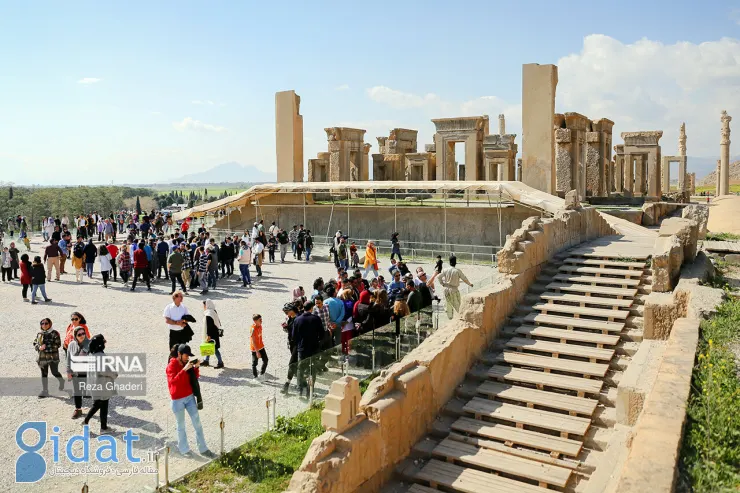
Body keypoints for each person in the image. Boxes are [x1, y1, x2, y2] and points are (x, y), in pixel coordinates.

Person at [166, 344, 216, 458]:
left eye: (189, 356)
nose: (187, 358)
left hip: (189, 397)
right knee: (181, 426)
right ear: (179, 354)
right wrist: (184, 369)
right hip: (177, 400)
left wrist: (196, 368)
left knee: (197, 423)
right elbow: (173, 382)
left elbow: (194, 377)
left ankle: (203, 449)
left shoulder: (186, 363)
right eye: (186, 355)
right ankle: (184, 450)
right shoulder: (171, 366)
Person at [83, 334, 116, 433]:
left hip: (94, 383)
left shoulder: (91, 354)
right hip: (103, 384)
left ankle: (101, 426)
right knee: (102, 405)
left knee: (98, 404)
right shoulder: (101, 356)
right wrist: (114, 374)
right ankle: (100, 426)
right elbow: (105, 371)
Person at [292, 301, 323, 397]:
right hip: (314, 348)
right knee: (312, 369)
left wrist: (299, 343)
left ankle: (299, 389)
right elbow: (321, 334)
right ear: (311, 308)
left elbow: (294, 336)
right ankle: (310, 391)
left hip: (302, 348)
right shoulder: (316, 319)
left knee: (300, 368)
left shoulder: (297, 320)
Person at [34, 318, 64, 398]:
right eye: (42, 323)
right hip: (42, 358)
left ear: (50, 324)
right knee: (44, 374)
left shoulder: (55, 333)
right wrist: (39, 347)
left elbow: (58, 344)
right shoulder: (39, 334)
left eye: (46, 323)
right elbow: (35, 342)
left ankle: (62, 381)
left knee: (55, 372)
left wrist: (46, 347)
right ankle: (45, 391)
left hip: (53, 357)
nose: (44, 325)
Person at [437, 255, 473, 319]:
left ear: (449, 262)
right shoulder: (457, 271)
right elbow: (464, 278)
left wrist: (442, 283)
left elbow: (438, 277)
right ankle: (461, 317)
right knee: (458, 304)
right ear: (455, 262)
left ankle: (450, 318)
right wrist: (469, 284)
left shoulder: (445, 270)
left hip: (446, 289)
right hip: (454, 290)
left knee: (448, 305)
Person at [66, 326, 90, 419]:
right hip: (76, 372)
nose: (82, 336)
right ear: (75, 335)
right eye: (79, 334)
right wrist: (68, 371)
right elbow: (68, 358)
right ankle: (78, 409)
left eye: (83, 333)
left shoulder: (90, 344)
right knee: (77, 391)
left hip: (88, 372)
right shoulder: (71, 344)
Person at [201, 300, 223, 369]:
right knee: (209, 346)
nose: (204, 307)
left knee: (215, 348)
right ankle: (206, 360)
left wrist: (208, 335)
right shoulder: (213, 311)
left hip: (211, 334)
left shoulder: (208, 314)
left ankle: (220, 362)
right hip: (215, 332)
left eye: (204, 305)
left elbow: (209, 326)